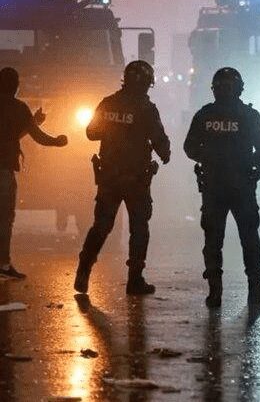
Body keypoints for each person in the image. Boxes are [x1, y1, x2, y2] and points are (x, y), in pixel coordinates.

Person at [74, 60, 170, 295]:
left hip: (109, 177)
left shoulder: (108, 104)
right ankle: (135, 280)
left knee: (102, 226)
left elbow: (91, 133)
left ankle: (84, 270)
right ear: (148, 83)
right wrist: (165, 153)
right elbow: (160, 142)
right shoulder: (147, 109)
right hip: (136, 179)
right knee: (139, 228)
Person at [183, 67, 260, 307]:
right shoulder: (249, 115)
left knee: (213, 240)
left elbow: (189, 148)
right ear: (239, 88)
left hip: (213, 187)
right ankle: (255, 290)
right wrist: (252, 164)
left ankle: (215, 293)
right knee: (250, 238)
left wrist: (211, 158)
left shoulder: (205, 115)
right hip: (242, 187)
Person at [0, 67, 67, 279]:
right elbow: (36, 137)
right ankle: (2, 264)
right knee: (4, 218)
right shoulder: (19, 108)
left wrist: (34, 122)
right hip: (3, 171)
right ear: (16, 86)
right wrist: (57, 141)